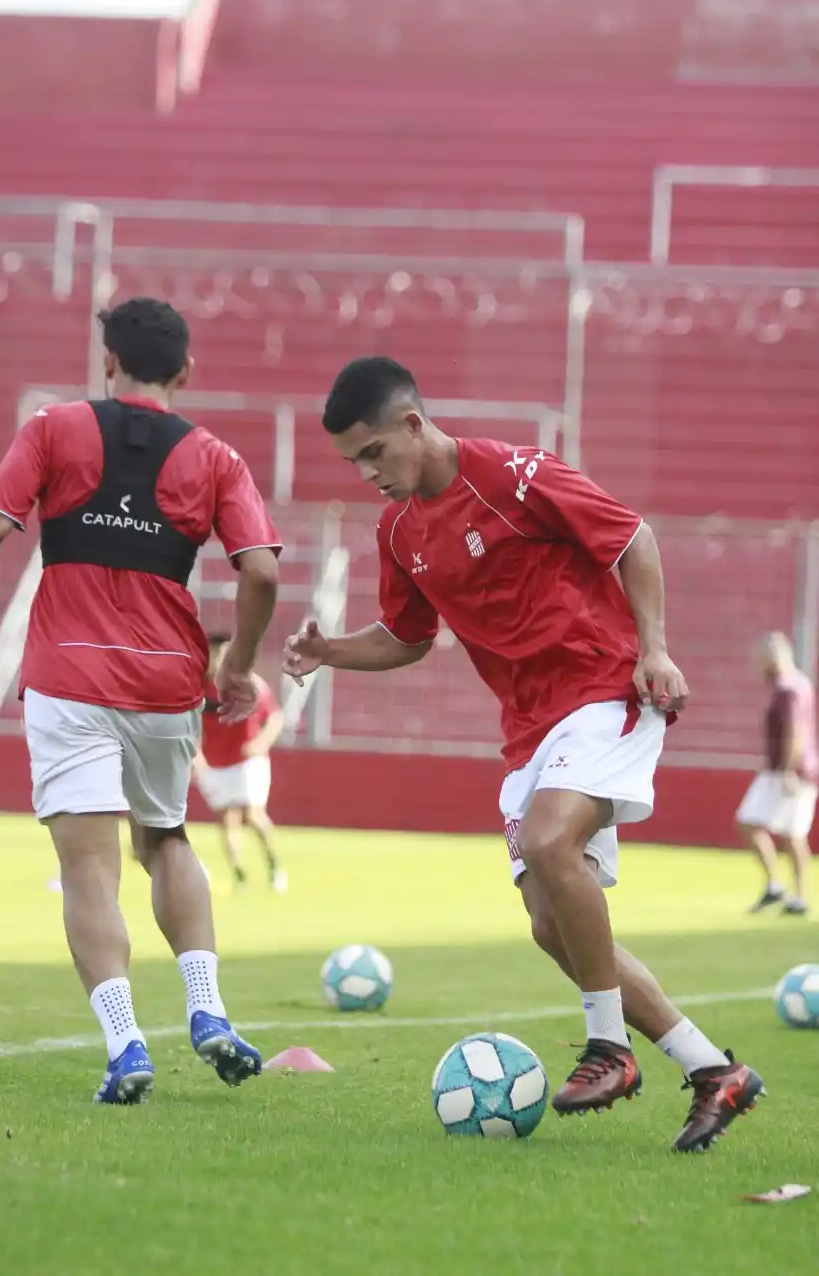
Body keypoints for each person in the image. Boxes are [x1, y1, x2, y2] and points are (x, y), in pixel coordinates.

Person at [283, 356, 764, 1154]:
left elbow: (630, 537)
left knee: (548, 841)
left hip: (606, 687)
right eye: (353, 462)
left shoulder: (512, 473)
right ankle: (712, 1070)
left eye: (373, 453)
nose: (368, 473)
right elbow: (407, 638)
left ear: (412, 425)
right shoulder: (398, 530)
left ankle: (608, 1050)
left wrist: (655, 649)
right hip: (529, 730)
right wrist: (329, 649)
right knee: (551, 926)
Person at [0, 297, 281, 1104]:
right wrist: (238, 665)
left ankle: (124, 1044)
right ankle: (207, 1012)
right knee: (167, 840)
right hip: (164, 681)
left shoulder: (53, 427)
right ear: (185, 372)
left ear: (108, 362)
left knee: (87, 868)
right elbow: (263, 570)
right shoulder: (215, 457)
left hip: (69, 677)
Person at [194, 633, 288, 892]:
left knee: (252, 814)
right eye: (213, 654)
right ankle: (240, 875)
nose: (217, 659)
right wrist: (195, 755)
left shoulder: (249, 684)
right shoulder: (198, 688)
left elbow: (275, 717)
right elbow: (187, 724)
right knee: (227, 819)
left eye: (223, 653)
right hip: (216, 763)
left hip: (248, 761)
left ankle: (274, 866)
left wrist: (261, 743)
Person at [737, 631, 817, 915]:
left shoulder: (788, 689)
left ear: (774, 657)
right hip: (790, 768)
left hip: (789, 770)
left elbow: (797, 731)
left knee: (784, 832)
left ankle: (789, 892)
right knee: (780, 829)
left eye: (762, 660)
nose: (759, 666)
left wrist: (788, 770)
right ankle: (786, 891)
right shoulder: (799, 685)